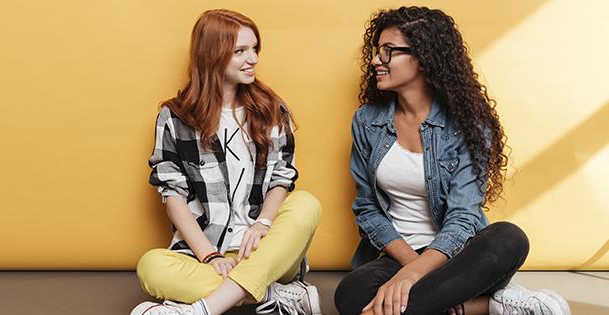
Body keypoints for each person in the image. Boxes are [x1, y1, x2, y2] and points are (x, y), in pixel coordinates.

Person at [334, 6, 571, 315]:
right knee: (350, 293)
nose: (376, 60)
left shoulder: (467, 124)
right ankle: (487, 307)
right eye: (378, 51)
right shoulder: (367, 122)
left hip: (459, 256)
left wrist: (415, 275)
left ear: (423, 58)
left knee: (509, 239)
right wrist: (410, 268)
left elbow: (462, 218)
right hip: (397, 256)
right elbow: (367, 209)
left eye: (389, 51)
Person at [132, 9, 322, 315]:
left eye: (254, 49)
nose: (253, 59)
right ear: (213, 55)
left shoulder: (272, 109)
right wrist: (209, 256)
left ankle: (203, 310)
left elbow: (281, 179)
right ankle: (275, 295)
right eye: (240, 51)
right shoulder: (175, 118)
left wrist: (262, 224)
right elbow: (173, 195)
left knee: (307, 204)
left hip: (267, 249)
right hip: (207, 254)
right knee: (151, 267)